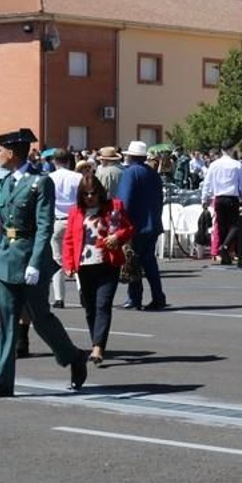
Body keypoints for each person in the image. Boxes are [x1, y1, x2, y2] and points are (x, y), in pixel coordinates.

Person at [0, 127, 88, 399]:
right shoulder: (1, 181)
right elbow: (0, 222)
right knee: (7, 322)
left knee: (41, 319)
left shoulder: (40, 182)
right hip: (5, 258)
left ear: (13, 152)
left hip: (29, 258)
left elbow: (44, 226)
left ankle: (73, 357)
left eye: (0, 150)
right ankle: (1, 382)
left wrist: (36, 263)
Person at [60, 172, 133, 365]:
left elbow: (128, 228)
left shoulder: (114, 207)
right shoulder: (75, 211)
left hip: (107, 263)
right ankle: (96, 341)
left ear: (100, 192)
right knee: (90, 308)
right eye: (85, 194)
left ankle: (98, 348)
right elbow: (68, 240)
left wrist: (117, 237)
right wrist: (68, 264)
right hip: (84, 266)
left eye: (93, 193)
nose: (90, 197)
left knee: (103, 305)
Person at [116, 140, 168, 311]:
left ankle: (134, 297)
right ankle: (158, 296)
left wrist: (120, 223)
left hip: (136, 224)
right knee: (149, 261)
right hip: (152, 223)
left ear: (130, 156)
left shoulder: (130, 173)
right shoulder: (153, 174)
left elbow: (125, 201)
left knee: (132, 260)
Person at [203, 140, 242, 267]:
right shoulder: (237, 165)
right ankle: (225, 247)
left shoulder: (214, 165)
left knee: (222, 227)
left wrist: (204, 198)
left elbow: (207, 183)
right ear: (232, 149)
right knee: (235, 225)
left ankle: (225, 255)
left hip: (218, 198)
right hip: (232, 197)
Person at [47, 151, 83, 309]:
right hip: (75, 219)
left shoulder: (49, 178)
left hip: (57, 220)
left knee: (57, 260)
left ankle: (59, 297)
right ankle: (82, 291)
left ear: (55, 161)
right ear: (69, 161)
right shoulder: (78, 177)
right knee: (78, 258)